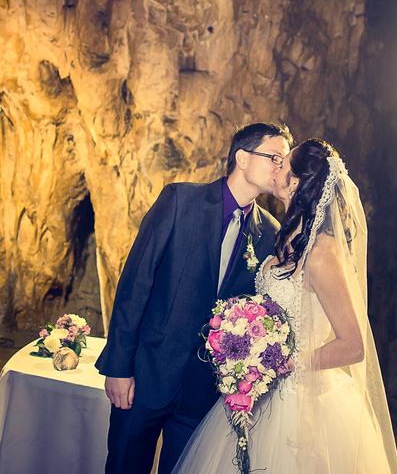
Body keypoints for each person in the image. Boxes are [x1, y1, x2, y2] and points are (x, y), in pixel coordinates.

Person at [173, 138, 397, 473]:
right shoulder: (286, 236)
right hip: (262, 390)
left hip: (301, 400)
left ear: (295, 183)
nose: (275, 167)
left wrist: (285, 362)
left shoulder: (322, 254)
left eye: (283, 163)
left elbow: (353, 346)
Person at [95, 122, 293, 473]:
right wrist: (119, 367)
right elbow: (135, 285)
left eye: (284, 160)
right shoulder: (179, 201)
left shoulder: (269, 233)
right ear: (242, 158)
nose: (281, 167)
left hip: (204, 391)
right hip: (146, 373)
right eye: (274, 157)